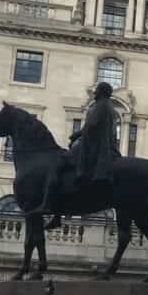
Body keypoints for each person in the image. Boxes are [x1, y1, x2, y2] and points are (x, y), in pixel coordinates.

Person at [28, 81, 122, 228]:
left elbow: (91, 127)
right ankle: (57, 214)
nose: (94, 92)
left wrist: (76, 134)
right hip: (98, 146)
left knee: (56, 164)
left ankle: (47, 205)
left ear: (102, 92)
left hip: (93, 148)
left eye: (96, 90)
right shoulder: (108, 107)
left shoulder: (101, 106)